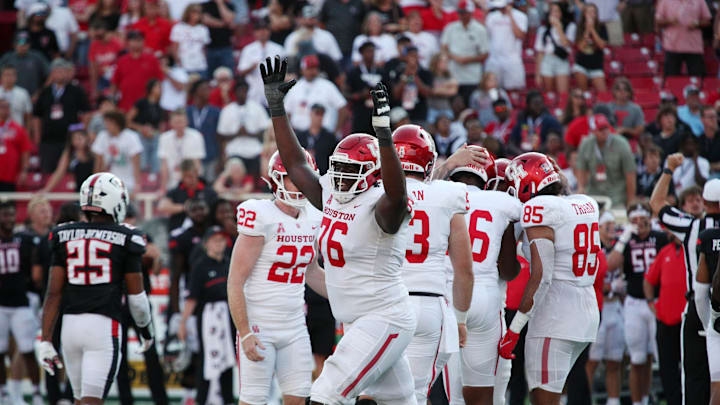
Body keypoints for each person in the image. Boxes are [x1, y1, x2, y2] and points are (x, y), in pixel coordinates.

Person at [262, 56, 416, 403]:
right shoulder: (331, 191)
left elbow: (398, 192)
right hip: (358, 321)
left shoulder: (382, 204)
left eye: (353, 169)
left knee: (325, 394)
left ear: (374, 172)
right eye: (340, 167)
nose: (343, 176)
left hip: (383, 319)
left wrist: (384, 136)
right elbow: (296, 162)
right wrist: (277, 108)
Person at [37, 173, 155, 404]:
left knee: (80, 400)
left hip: (70, 328)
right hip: (102, 327)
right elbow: (137, 299)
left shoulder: (63, 233)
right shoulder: (127, 236)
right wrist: (146, 332)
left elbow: (53, 293)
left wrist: (46, 339)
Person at [499, 152, 600, 405]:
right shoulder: (584, 202)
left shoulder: (540, 208)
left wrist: (514, 330)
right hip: (586, 313)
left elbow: (541, 276)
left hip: (555, 316)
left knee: (543, 400)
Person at [227, 149, 326, 404]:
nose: (301, 185)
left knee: (299, 398)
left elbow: (312, 270)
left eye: (305, 178)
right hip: (260, 325)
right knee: (253, 400)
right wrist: (245, 332)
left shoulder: (313, 217)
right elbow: (235, 280)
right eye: (293, 178)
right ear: (276, 180)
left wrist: (350, 294)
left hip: (294, 325)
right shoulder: (261, 215)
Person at [387, 126, 475, 404]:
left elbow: (409, 189)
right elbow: (464, 269)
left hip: (384, 303)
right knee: (414, 395)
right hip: (429, 305)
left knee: (378, 392)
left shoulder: (375, 194)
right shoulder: (448, 195)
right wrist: (460, 319)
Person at [445, 150, 521, 405]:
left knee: (452, 394)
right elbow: (509, 270)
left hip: (450, 294)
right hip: (488, 298)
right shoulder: (503, 202)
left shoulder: (440, 194)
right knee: (485, 393)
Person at [650, 155, 720, 405]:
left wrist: (668, 169)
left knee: (694, 377)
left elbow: (656, 204)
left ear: (706, 201)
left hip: (696, 307)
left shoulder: (692, 227)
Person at [606, 202, 668, 405]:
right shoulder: (626, 239)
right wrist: (624, 238)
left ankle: (646, 398)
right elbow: (609, 265)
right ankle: (637, 402)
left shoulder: (660, 238)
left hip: (657, 302)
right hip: (634, 303)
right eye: (635, 219)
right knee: (637, 358)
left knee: (655, 356)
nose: (639, 223)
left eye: (643, 218)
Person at [180, 226, 235, 405]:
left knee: (228, 358)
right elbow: (192, 298)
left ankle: (227, 400)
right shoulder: (200, 266)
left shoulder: (229, 263)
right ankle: (202, 400)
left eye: (221, 240)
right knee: (206, 360)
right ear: (206, 244)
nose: (219, 244)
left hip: (228, 316)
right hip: (208, 317)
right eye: (215, 240)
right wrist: (183, 323)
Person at [0, 200, 43, 405]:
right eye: (4, 215)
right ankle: (4, 392)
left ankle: (36, 393)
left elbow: (35, 270)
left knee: (27, 349)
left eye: (11, 214)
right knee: (0, 349)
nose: (8, 219)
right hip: (0, 304)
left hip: (20, 302)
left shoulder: (25, 239)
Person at [586, 211, 624, 405]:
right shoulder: (594, 249)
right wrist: (610, 286)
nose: (611, 227)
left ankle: (613, 401)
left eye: (612, 224)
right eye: (606, 224)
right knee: (591, 362)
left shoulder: (619, 248)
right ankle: (583, 399)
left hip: (615, 307)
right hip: (598, 307)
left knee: (614, 361)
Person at [644, 233, 687, 405]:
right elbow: (649, 280)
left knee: (688, 369)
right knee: (667, 369)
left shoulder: (692, 250)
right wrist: (650, 303)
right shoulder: (665, 252)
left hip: (686, 319)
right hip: (665, 319)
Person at [34, 58, 91, 173]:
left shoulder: (76, 91)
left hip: (69, 139)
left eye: (62, 71)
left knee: (70, 171)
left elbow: (86, 113)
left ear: (67, 73)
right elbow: (37, 116)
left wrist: (81, 132)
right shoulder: (45, 92)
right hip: (48, 140)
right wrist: (37, 135)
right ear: (52, 74)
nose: (59, 74)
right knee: (48, 170)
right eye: (57, 71)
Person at [576, 114, 637, 207]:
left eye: (606, 128)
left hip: (617, 196)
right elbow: (581, 168)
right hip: (594, 194)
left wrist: (630, 202)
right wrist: (581, 187)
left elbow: (630, 173)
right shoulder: (586, 144)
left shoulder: (622, 144)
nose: (604, 132)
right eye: (600, 129)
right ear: (593, 131)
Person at [217, 80, 270, 177]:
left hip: (254, 151)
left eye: (244, 91)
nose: (242, 93)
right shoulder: (227, 110)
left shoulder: (257, 108)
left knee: (255, 181)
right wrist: (237, 134)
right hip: (234, 151)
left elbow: (265, 131)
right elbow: (221, 135)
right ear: (235, 92)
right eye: (239, 91)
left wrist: (248, 133)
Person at [284, 54, 348, 134]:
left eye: (315, 68)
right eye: (309, 68)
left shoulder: (327, 86)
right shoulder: (294, 87)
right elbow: (286, 113)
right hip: (299, 135)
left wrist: (335, 131)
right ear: (302, 70)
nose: (312, 71)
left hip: (323, 135)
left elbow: (343, 109)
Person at [440, 0, 488, 103]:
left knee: (470, 104)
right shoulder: (451, 28)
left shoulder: (480, 30)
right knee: (455, 105)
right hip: (454, 75)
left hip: (472, 76)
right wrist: (454, 57)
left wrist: (467, 59)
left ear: (470, 13)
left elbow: (485, 54)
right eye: (460, 12)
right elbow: (443, 47)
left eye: (464, 13)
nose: (461, 15)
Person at [158, 160, 219, 233]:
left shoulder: (209, 191)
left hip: (204, 231)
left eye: (190, 176)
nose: (188, 180)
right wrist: (185, 207)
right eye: (184, 177)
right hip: (180, 231)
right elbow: (162, 206)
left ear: (196, 173)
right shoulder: (176, 191)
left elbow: (217, 209)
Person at [110, 30, 163, 111]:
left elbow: (159, 82)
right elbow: (115, 83)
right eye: (134, 40)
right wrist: (112, 101)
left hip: (147, 106)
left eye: (139, 40)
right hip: (125, 104)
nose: (136, 43)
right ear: (128, 42)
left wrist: (156, 102)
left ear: (143, 42)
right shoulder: (121, 61)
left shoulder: (152, 59)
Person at [237, 19, 286, 108]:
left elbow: (284, 72)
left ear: (269, 31)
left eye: (265, 29)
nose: (262, 32)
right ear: (255, 32)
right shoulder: (248, 49)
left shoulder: (278, 49)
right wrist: (251, 67)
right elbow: (241, 72)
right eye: (259, 30)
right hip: (254, 90)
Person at [91, 110, 143, 193]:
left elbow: (136, 162)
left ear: (116, 123)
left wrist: (137, 183)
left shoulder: (131, 136)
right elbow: (98, 162)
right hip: (107, 183)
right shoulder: (102, 136)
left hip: (128, 182)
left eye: (108, 123)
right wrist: (95, 182)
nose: (106, 126)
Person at [655, 0, 711, 77]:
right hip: (672, 46)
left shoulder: (700, 1)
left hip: (694, 47)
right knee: (671, 80)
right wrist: (670, 21)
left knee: (698, 79)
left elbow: (707, 21)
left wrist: (696, 23)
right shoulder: (665, 1)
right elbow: (657, 21)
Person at [158, 108, 207, 192]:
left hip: (191, 182)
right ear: (171, 122)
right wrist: (163, 187)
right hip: (172, 181)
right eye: (176, 122)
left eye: (181, 121)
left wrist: (193, 183)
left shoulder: (196, 136)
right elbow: (164, 165)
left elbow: (197, 164)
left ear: (186, 122)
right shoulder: (164, 138)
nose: (179, 125)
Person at [484, 0, 528, 90]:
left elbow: (520, 35)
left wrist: (510, 16)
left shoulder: (521, 16)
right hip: (494, 60)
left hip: (512, 60)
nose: (501, 9)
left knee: (514, 90)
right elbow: (486, 35)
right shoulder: (492, 17)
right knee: (492, 89)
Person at [534, 2, 576, 94]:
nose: (554, 14)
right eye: (552, 11)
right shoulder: (543, 29)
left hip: (562, 60)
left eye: (557, 11)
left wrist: (558, 27)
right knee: (549, 92)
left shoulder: (570, 26)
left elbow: (566, 44)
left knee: (563, 93)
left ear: (561, 13)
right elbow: (540, 52)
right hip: (547, 60)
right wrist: (538, 74)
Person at [42, 124, 94, 193]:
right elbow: (59, 172)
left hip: (92, 189)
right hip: (77, 191)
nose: (78, 141)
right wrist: (47, 189)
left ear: (86, 138)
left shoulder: (94, 153)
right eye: (75, 139)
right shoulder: (69, 154)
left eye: (80, 138)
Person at [509, 90, 563, 155]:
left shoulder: (550, 121)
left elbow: (553, 141)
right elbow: (511, 143)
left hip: (543, 155)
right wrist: (521, 153)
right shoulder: (522, 121)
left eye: (540, 103)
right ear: (528, 105)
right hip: (522, 156)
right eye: (535, 104)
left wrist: (536, 153)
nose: (538, 106)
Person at [186, 81, 221, 180]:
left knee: (210, 184)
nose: (208, 92)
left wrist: (220, 159)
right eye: (204, 89)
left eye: (208, 89)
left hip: (211, 155)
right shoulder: (187, 111)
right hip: (191, 156)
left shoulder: (215, 111)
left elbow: (220, 137)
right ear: (196, 92)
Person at [127, 79, 163, 174]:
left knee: (157, 157)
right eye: (158, 87)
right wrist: (141, 128)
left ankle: (154, 176)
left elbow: (160, 126)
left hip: (154, 137)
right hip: (140, 136)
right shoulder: (141, 103)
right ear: (151, 89)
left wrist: (153, 132)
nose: (160, 89)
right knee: (142, 161)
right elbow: (127, 120)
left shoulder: (159, 106)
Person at [346, 41, 382, 134]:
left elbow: (390, 92)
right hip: (360, 115)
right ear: (362, 53)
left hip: (378, 115)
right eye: (368, 51)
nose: (371, 54)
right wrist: (360, 95)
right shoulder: (354, 73)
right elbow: (346, 93)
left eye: (373, 51)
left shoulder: (381, 71)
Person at [0, 31, 49, 97]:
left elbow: (50, 75)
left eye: (25, 43)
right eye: (19, 43)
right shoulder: (7, 58)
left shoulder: (37, 57)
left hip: (34, 97)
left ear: (29, 44)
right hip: (10, 96)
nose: (22, 46)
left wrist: (39, 93)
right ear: (14, 44)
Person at [295, 104, 339, 176]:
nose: (319, 117)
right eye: (317, 113)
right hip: (303, 176)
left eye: (322, 114)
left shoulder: (330, 138)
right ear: (310, 114)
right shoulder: (300, 136)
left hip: (324, 176)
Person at [573, 3, 607, 92]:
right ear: (584, 14)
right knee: (583, 93)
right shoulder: (579, 27)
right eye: (589, 12)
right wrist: (587, 30)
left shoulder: (602, 27)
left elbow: (602, 45)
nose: (591, 14)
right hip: (581, 64)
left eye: (593, 12)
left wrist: (592, 29)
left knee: (603, 93)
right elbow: (580, 47)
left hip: (596, 66)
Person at [170, 4, 211, 78]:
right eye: (194, 12)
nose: (196, 15)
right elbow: (174, 48)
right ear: (188, 13)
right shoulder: (178, 28)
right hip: (185, 65)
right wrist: (178, 62)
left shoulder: (203, 29)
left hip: (200, 65)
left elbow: (204, 49)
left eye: (198, 13)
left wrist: (204, 61)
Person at [320, 0, 366, 66]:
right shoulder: (328, 3)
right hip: (332, 50)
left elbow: (364, 23)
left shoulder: (358, 3)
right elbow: (321, 23)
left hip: (352, 49)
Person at [0, 97, 31, 192]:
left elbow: (25, 151)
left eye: (7, 107)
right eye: (2, 107)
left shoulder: (18, 128)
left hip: (10, 176)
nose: (6, 109)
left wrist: (24, 171)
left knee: (8, 206)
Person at [87, 19, 123, 101]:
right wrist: (94, 88)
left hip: (115, 77)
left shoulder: (116, 43)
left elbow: (123, 62)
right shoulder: (94, 45)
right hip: (102, 78)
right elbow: (93, 68)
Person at [202, 0, 236, 74]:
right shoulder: (204, 5)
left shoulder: (229, 5)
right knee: (210, 75)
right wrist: (225, 24)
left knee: (229, 73)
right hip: (209, 47)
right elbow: (206, 20)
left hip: (226, 46)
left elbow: (228, 18)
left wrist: (220, 3)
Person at [607, 77, 645, 143]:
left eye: (625, 89)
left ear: (630, 92)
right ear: (614, 91)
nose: (622, 92)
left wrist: (625, 130)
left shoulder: (636, 109)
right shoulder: (607, 107)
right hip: (609, 140)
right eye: (618, 89)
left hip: (630, 140)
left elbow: (639, 130)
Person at [699, 106, 720, 176]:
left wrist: (708, 166)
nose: (714, 119)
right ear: (702, 119)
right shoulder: (699, 140)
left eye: (715, 116)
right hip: (704, 175)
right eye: (710, 117)